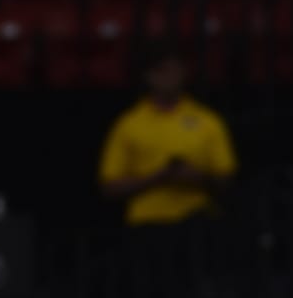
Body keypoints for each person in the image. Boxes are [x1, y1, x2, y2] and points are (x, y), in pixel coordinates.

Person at [97, 53, 237, 229]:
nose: (168, 77)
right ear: (148, 76)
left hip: (197, 220)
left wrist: (197, 177)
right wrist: (158, 177)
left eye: (174, 70)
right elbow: (109, 187)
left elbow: (227, 178)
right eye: (161, 71)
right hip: (146, 223)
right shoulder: (129, 124)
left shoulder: (207, 121)